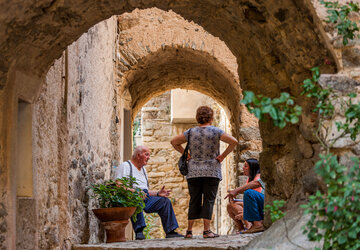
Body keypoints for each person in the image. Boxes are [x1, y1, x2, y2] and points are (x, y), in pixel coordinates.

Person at [171, 106, 238, 238]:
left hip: (194, 171)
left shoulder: (190, 132)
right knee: (208, 200)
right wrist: (223, 156)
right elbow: (233, 141)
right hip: (211, 171)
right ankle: (207, 231)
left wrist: (186, 154)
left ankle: (189, 231)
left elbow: (174, 142)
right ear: (211, 117)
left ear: (198, 117)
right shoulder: (216, 131)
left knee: (194, 199)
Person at [113, 145, 183, 240]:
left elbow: (145, 191)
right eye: (147, 155)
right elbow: (119, 186)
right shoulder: (125, 166)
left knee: (165, 201)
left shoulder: (143, 170)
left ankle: (170, 231)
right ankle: (139, 231)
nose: (149, 157)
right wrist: (135, 192)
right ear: (138, 155)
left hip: (144, 196)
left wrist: (158, 193)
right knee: (136, 198)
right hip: (131, 196)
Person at [225, 158, 265, 234]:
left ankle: (254, 225)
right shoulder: (250, 179)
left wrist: (236, 190)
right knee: (230, 205)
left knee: (248, 193)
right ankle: (241, 229)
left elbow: (256, 184)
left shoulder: (259, 177)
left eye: (246, 166)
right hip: (260, 203)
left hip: (264, 204)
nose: (243, 168)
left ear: (252, 167)